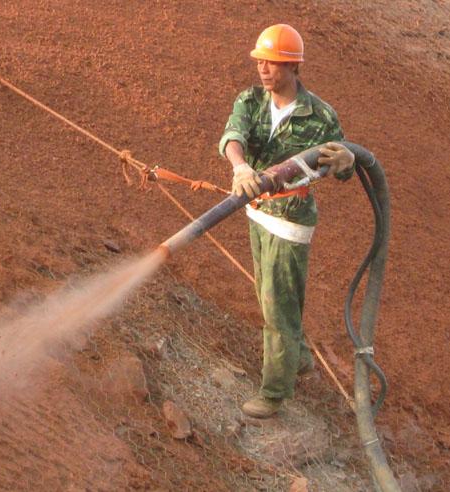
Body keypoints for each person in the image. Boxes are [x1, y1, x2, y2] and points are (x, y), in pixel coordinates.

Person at [218, 24, 355, 418]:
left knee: (278, 305)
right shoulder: (251, 100)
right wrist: (240, 166)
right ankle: (297, 357)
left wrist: (346, 161)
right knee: (268, 294)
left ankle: (274, 393)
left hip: (291, 219)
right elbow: (233, 134)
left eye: (273, 63)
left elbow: (341, 162)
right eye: (260, 61)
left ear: (292, 66)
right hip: (257, 210)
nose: (263, 69)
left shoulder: (321, 116)